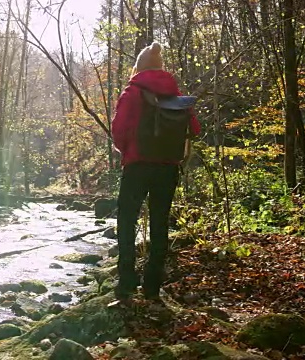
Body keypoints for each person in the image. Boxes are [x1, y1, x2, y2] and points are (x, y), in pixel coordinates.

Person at [111, 42, 201, 300]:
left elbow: (119, 131)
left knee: (127, 220)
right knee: (160, 223)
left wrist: (128, 151)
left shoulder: (132, 91)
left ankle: (127, 281)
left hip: (137, 165)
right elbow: (194, 129)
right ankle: (152, 286)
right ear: (160, 67)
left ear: (139, 66)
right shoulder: (176, 95)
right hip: (168, 167)